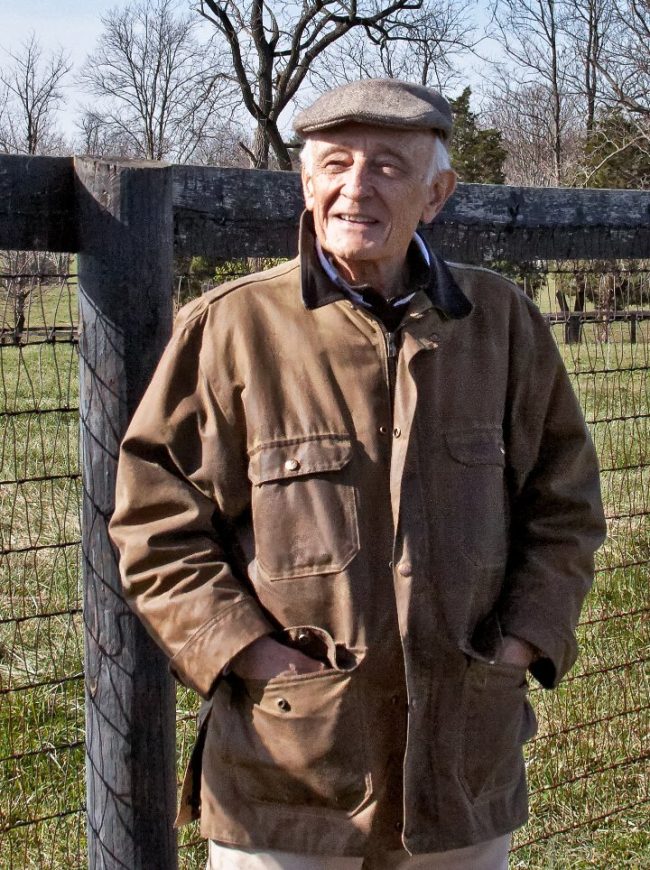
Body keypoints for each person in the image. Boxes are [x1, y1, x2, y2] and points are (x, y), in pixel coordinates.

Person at [109, 79, 606, 869]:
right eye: (334, 164)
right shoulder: (232, 327)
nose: (355, 187)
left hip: (461, 770)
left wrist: (518, 647)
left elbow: (565, 508)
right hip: (286, 774)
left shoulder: (502, 324)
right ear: (306, 186)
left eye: (387, 166)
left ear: (436, 192)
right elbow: (154, 521)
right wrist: (253, 657)